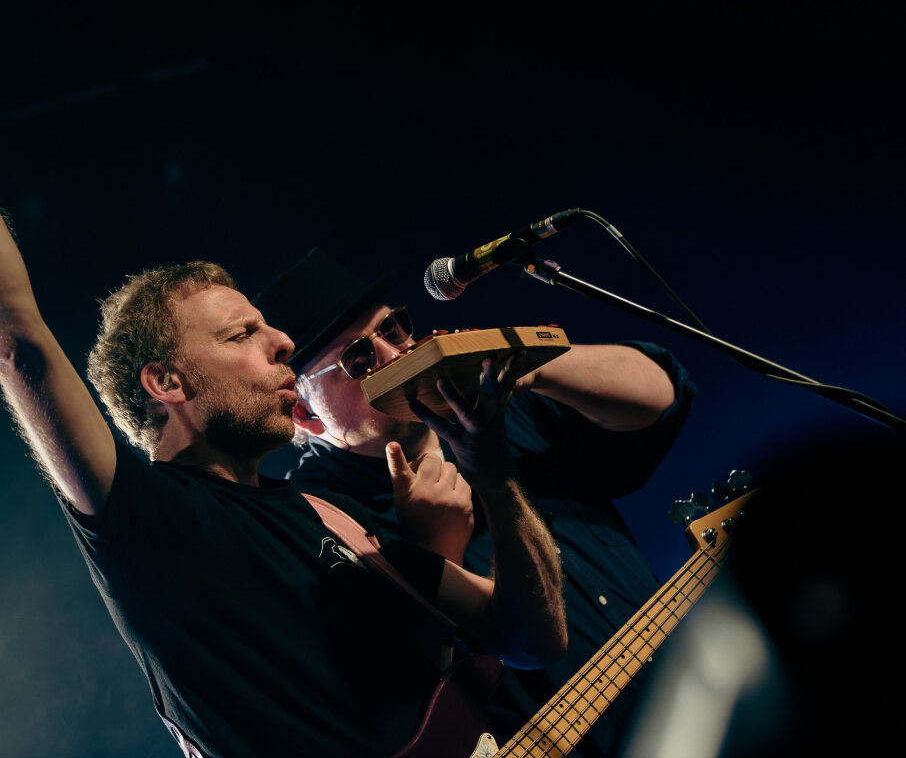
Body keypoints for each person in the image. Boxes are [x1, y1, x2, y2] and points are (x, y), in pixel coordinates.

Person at [0, 0, 569, 758]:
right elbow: (16, 342)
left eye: (270, 329)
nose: (281, 344)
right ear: (167, 383)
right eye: (243, 333)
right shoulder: (146, 517)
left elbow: (533, 639)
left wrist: (495, 476)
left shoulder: (325, 516)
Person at [253, 248, 696, 757]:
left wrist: (525, 367)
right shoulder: (321, 519)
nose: (393, 354)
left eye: (393, 329)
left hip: (688, 699)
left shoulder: (496, 407)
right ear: (307, 415)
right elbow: (397, 694)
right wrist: (435, 549)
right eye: (357, 358)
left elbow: (663, 396)